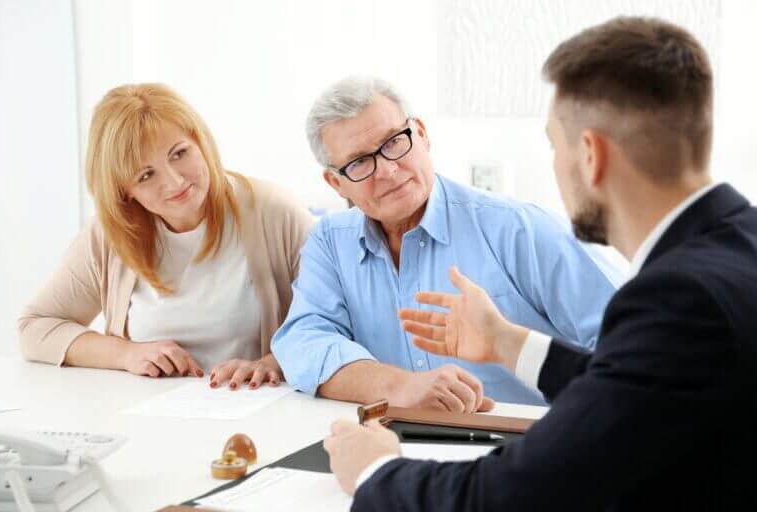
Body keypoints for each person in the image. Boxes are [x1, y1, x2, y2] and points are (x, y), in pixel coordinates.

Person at [323, 16, 757, 510]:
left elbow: (515, 496)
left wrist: (375, 469)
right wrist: (509, 344)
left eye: (553, 143)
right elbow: (639, 385)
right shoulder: (739, 245)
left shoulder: (679, 299)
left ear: (590, 155)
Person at [271, 76, 621, 408]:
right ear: (336, 183)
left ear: (421, 134)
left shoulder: (518, 228)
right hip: (400, 447)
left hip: (531, 449)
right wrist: (399, 386)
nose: (388, 171)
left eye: (394, 142)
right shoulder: (330, 241)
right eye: (360, 162)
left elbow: (637, 345)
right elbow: (303, 341)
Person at [18, 83, 314, 390]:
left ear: (200, 142)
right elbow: (34, 328)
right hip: (149, 420)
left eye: (179, 153)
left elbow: (339, 322)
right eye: (146, 175)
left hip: (257, 418)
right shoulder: (110, 236)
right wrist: (126, 354)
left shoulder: (274, 212)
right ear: (125, 193)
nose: (174, 182)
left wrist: (271, 364)